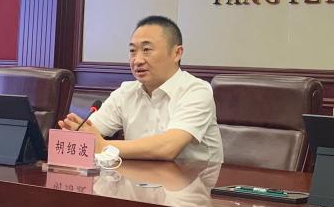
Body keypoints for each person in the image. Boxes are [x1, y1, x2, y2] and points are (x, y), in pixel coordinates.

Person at [58, 15, 224, 164]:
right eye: (132, 51)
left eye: (147, 50)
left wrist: (104, 146)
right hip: (138, 182)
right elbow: (89, 134)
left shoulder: (196, 91)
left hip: (194, 183)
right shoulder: (126, 92)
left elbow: (168, 147)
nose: (137, 60)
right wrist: (76, 132)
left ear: (177, 53)